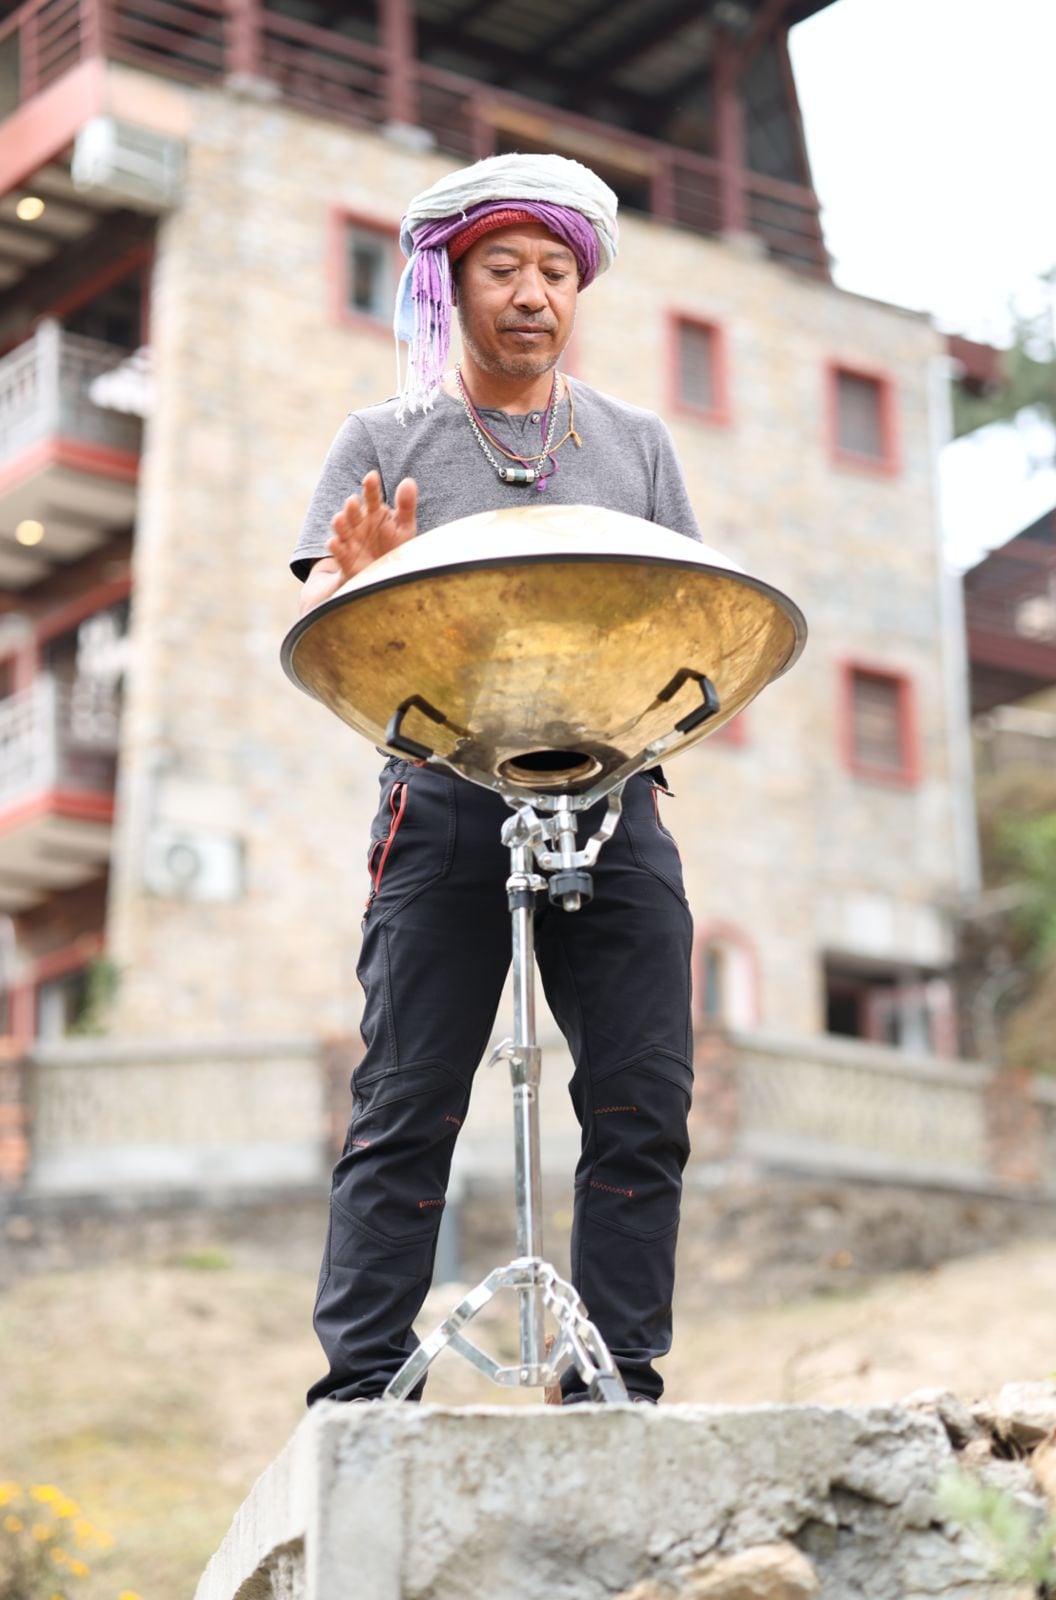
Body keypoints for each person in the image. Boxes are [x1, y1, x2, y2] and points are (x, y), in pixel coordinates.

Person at [291, 152, 703, 1406]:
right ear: (448, 284)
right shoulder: (384, 434)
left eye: (556, 272)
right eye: (502, 269)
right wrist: (350, 578)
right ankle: (362, 1392)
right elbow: (322, 610)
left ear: (580, 290)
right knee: (406, 1096)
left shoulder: (634, 443)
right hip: (446, 799)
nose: (532, 294)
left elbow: (686, 619)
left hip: (612, 795)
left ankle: (616, 1376)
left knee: (643, 1097)